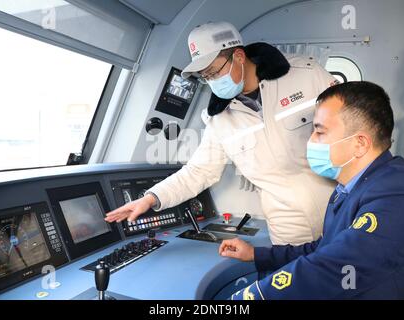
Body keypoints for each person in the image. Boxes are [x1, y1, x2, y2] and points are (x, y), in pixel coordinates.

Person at [105, 21, 338, 245]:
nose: (212, 81)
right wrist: (151, 198)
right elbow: (198, 171)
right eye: (205, 77)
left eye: (214, 72)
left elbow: (354, 123)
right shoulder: (219, 119)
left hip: (340, 206)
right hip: (289, 227)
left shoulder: (306, 73)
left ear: (238, 56)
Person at [220, 81, 404, 299]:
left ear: (360, 143)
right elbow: (324, 249)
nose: (311, 141)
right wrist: (257, 254)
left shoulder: (400, 195)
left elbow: (335, 266)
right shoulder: (348, 188)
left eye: (320, 132)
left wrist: (250, 297)